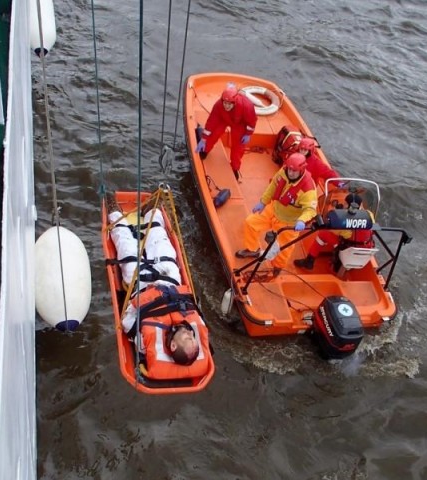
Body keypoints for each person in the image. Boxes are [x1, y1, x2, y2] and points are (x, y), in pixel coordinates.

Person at [106, 195, 210, 376]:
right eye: (193, 337)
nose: (190, 333)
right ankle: (151, 213)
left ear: (173, 345)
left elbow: (127, 322)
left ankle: (114, 212)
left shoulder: (146, 341)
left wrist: (134, 303)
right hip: (170, 280)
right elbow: (195, 306)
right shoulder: (194, 325)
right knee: (162, 244)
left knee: (126, 248)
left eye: (188, 338)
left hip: (141, 286)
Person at [235, 152, 318, 275]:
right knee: (250, 223)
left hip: (289, 222)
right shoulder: (283, 172)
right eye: (289, 169)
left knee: (284, 248)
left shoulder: (308, 190)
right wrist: (263, 202)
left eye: (294, 170)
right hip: (274, 209)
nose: (290, 172)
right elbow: (273, 186)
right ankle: (252, 249)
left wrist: (301, 220)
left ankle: (277, 267)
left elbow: (310, 210)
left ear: (302, 170)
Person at [293, 193, 375, 271]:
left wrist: (337, 212)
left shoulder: (343, 222)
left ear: (347, 205)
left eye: (345, 203)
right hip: (366, 250)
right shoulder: (369, 215)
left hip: (348, 251)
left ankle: (309, 260)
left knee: (323, 234)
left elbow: (332, 229)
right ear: (360, 205)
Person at [195, 83, 258, 180]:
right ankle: (205, 150)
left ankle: (235, 168)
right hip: (223, 119)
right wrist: (203, 139)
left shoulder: (247, 106)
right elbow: (211, 123)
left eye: (229, 104)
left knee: (238, 147)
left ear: (234, 102)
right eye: (225, 103)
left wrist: (248, 134)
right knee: (214, 133)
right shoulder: (218, 106)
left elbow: (252, 122)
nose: (226, 106)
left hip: (239, 124)